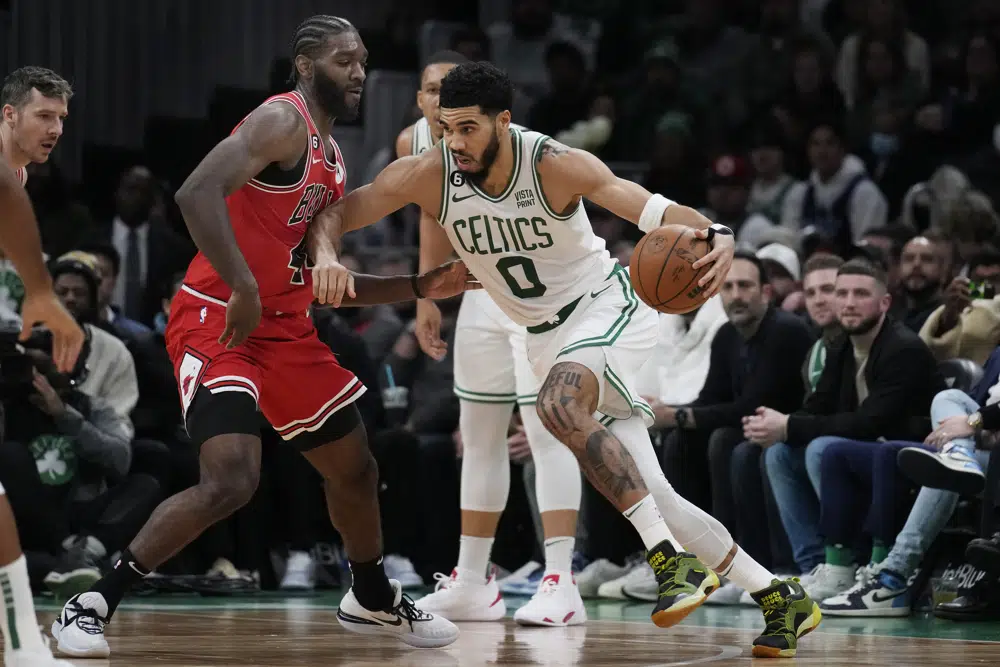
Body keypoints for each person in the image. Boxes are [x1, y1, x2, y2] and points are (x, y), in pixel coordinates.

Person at [310, 61, 821, 658]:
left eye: (469, 128)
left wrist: (719, 231)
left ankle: (668, 561)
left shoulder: (553, 163)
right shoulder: (429, 173)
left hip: (605, 308)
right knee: (654, 492)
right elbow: (337, 212)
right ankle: (780, 596)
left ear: (504, 121)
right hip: (543, 335)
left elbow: (651, 209)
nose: (455, 143)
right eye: (446, 128)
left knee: (557, 405)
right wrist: (327, 256)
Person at [52, 16, 474, 658]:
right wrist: (244, 285)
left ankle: (371, 596)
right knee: (231, 480)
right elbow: (195, 192)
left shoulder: (332, 160)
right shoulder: (282, 121)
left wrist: (420, 285)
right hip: (219, 318)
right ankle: (91, 604)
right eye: (343, 60)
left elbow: (324, 286)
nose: (359, 72)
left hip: (283, 327)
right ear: (305, 65)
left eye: (362, 60)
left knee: (356, 468)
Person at [397, 51, 587, 625]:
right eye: (432, 90)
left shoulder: (517, 147)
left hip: (538, 298)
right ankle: (473, 581)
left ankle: (560, 579)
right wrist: (426, 297)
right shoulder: (415, 146)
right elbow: (430, 216)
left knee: (546, 433)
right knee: (477, 435)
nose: (440, 100)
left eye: (450, 91)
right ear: (421, 101)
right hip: (482, 297)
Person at [0, 65, 85, 667]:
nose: (55, 128)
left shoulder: (19, 173)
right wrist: (41, 291)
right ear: (10, 114)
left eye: (61, 118)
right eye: (43, 116)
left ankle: (20, 638)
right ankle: (22, 640)